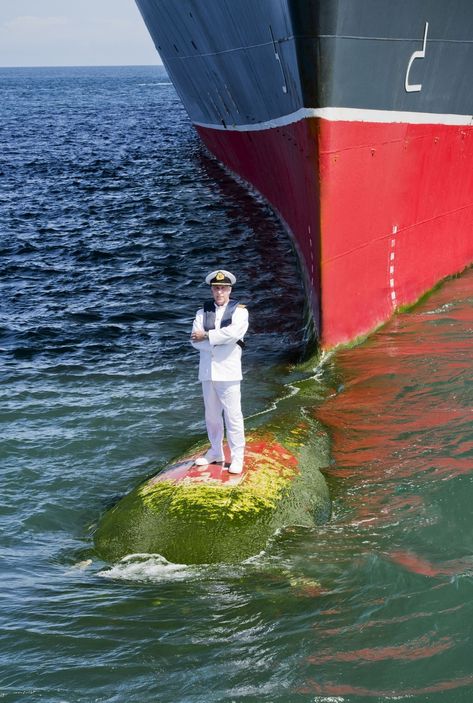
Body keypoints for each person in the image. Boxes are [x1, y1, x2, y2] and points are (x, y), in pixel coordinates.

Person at [190, 269, 249, 474]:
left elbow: (233, 335)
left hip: (229, 372)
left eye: (223, 288)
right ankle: (215, 451)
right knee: (212, 416)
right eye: (216, 288)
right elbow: (194, 341)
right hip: (208, 372)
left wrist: (207, 336)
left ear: (229, 290)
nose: (219, 292)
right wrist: (216, 339)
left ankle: (237, 456)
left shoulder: (240, 312)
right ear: (212, 290)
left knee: (233, 416)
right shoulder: (202, 313)